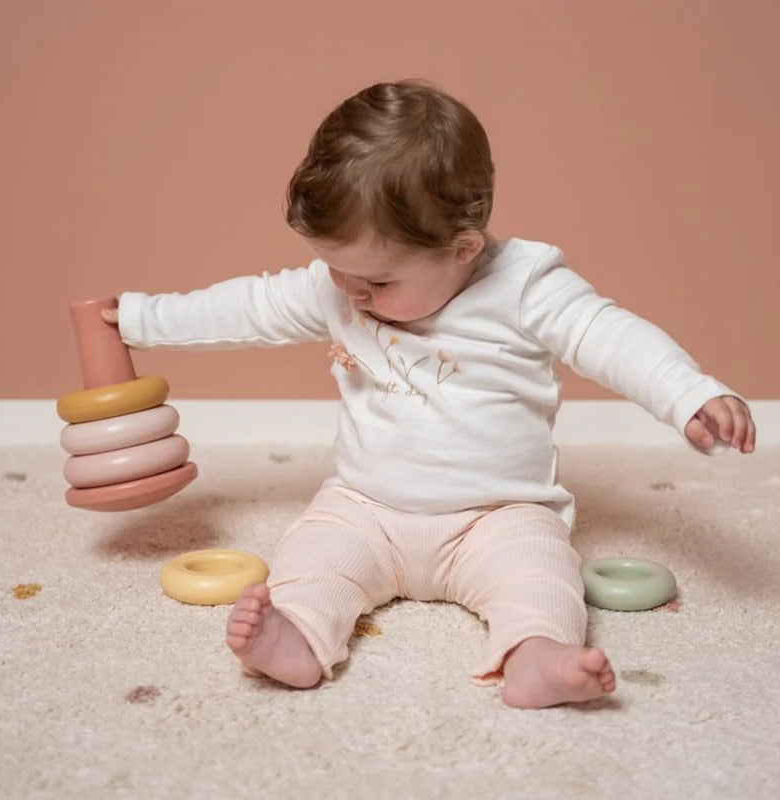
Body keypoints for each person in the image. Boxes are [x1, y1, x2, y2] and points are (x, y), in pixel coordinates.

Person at [102, 80, 756, 708]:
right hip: (365, 508)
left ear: (462, 247)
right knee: (311, 559)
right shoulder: (343, 284)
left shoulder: (525, 287)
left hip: (494, 516)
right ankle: (295, 637)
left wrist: (688, 394)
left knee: (540, 576)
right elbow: (244, 307)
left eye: (379, 282)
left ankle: (536, 659)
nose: (353, 294)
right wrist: (137, 318)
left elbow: (613, 338)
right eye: (338, 270)